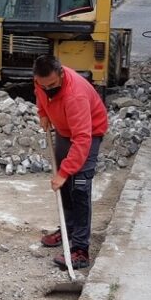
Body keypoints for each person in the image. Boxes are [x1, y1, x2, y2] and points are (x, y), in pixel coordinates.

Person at [32, 54, 108, 269]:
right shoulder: (41, 81)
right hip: (64, 130)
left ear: (62, 75)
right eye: (43, 85)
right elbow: (40, 94)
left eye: (53, 85)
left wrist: (65, 172)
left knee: (79, 187)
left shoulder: (75, 95)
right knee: (64, 186)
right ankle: (68, 228)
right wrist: (43, 112)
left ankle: (80, 250)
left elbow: (83, 139)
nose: (48, 89)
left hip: (89, 133)